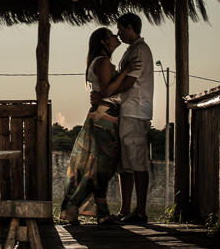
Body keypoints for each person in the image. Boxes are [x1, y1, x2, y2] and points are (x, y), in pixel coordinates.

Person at [58, 27, 138, 226]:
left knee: (98, 166)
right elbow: (107, 90)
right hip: (105, 116)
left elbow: (106, 90)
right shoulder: (102, 62)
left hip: (104, 113)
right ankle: (73, 205)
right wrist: (126, 72)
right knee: (105, 166)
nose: (115, 36)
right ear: (103, 41)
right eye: (111, 35)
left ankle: (102, 213)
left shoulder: (104, 62)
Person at [113, 12, 155, 225]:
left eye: (120, 29)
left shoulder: (139, 50)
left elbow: (129, 82)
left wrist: (107, 92)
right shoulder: (132, 50)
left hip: (135, 111)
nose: (118, 34)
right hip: (128, 111)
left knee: (137, 162)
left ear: (130, 27)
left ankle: (140, 212)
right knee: (126, 163)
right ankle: (125, 210)